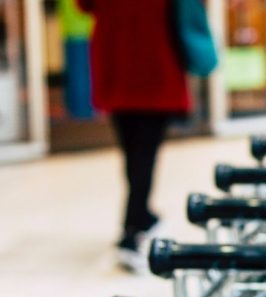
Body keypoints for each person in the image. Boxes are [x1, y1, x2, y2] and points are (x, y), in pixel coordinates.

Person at [78, 0, 191, 271]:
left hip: (120, 70)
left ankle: (140, 218)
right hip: (155, 69)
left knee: (134, 155)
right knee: (144, 156)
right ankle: (133, 229)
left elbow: (84, 6)